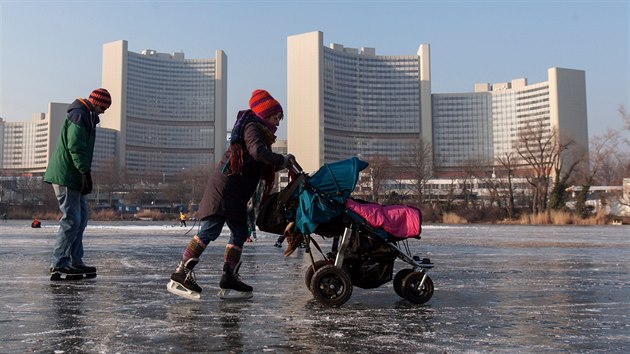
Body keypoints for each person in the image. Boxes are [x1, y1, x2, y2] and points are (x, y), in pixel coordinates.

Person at [167, 89, 292, 300]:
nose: (278, 122)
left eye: (279, 118)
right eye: (276, 117)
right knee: (210, 229)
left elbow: (257, 160)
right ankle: (181, 272)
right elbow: (257, 153)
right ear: (264, 113)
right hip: (225, 188)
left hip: (235, 191)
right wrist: (281, 160)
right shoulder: (253, 127)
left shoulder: (257, 129)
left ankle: (229, 275)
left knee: (240, 232)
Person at [44, 88, 112, 281]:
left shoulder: (88, 116)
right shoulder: (79, 115)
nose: (103, 112)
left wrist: (84, 175)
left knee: (81, 219)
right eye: (103, 107)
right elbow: (75, 146)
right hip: (67, 176)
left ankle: (75, 260)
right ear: (96, 102)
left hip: (75, 176)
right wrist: (85, 172)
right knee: (71, 219)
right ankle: (59, 264)